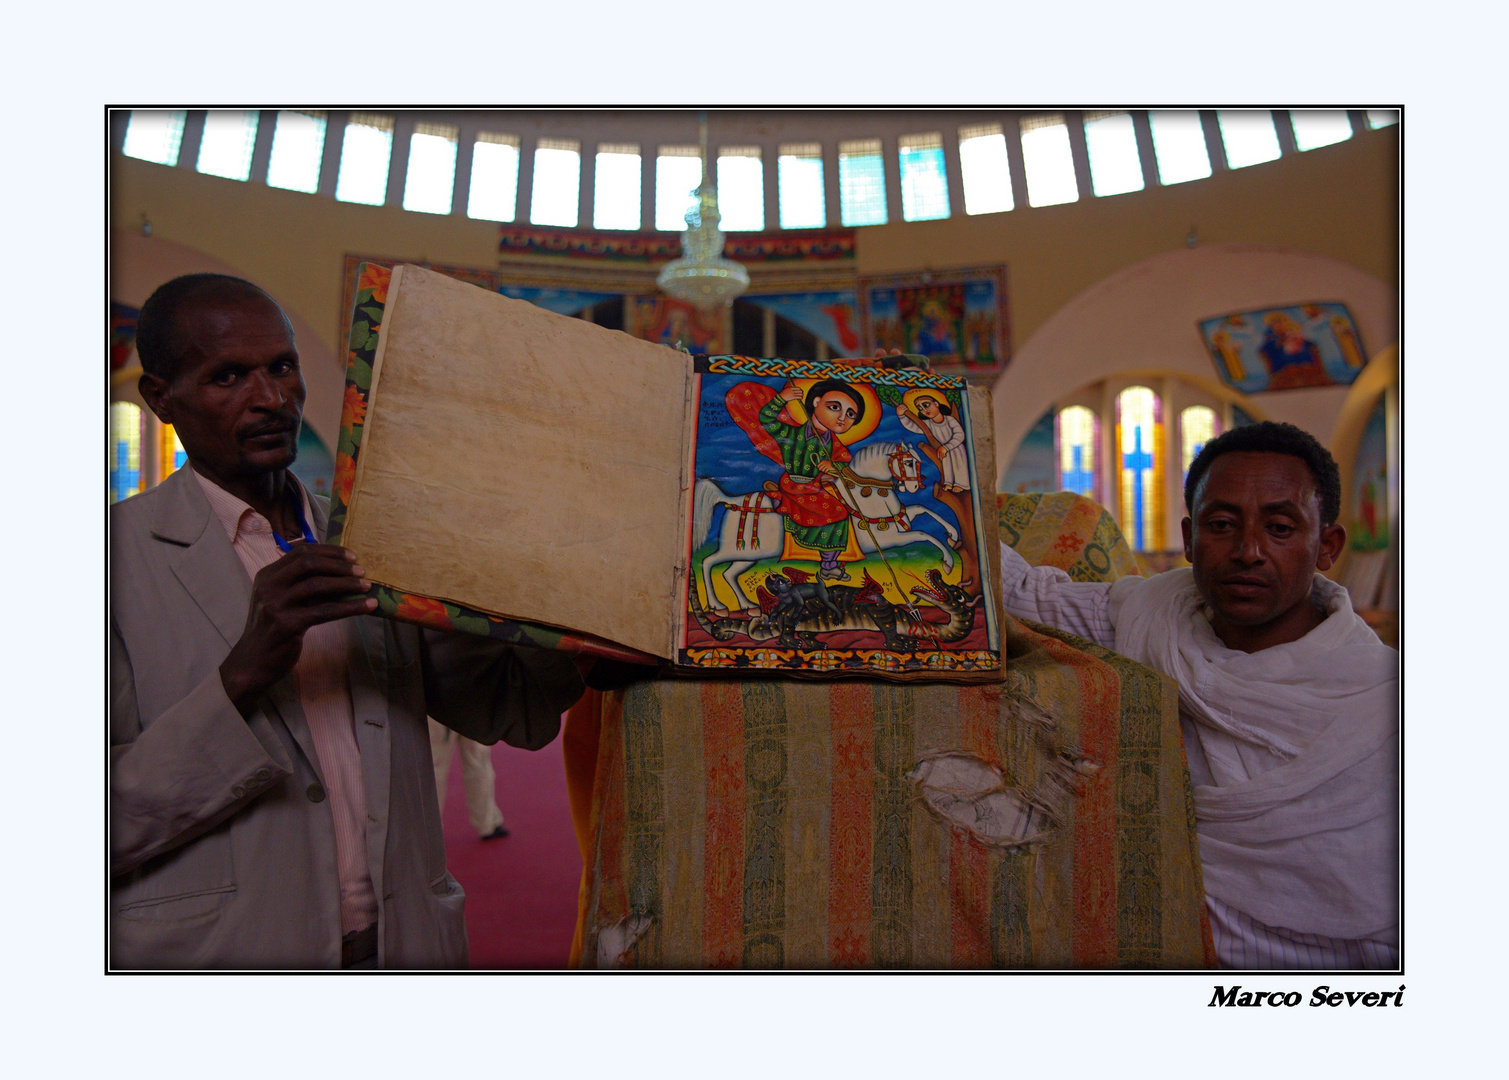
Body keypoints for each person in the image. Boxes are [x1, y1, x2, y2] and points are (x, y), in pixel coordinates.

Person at [111, 273, 587, 969]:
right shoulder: (111, 563)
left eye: (281, 366)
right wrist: (242, 675)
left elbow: (505, 707)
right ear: (160, 399)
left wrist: (561, 606)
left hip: (404, 949)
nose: (271, 398)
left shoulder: (374, 537)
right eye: (228, 377)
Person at [998, 421, 1397, 968]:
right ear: (1188, 539)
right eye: (1222, 525)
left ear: (1326, 545)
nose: (1248, 551)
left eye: (1280, 528)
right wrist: (921, 448)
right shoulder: (1153, 619)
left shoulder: (1383, 698)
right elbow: (1022, 594)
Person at [729, 378, 865, 582]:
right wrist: (781, 399)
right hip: (795, 485)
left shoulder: (834, 444)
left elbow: (844, 461)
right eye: (835, 407)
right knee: (838, 512)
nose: (841, 418)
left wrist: (834, 467)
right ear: (817, 402)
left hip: (815, 486)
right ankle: (828, 565)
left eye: (850, 414)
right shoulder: (791, 433)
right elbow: (767, 419)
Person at [428, 718, 509, 840]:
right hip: (473, 709)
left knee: (434, 769)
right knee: (478, 765)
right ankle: (488, 823)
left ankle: (429, 829)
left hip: (440, 709)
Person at [896, 392, 968, 492]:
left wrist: (947, 447)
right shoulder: (928, 424)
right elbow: (913, 426)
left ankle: (961, 484)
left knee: (959, 464)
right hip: (942, 449)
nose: (924, 410)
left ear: (936, 404)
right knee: (947, 465)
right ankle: (949, 483)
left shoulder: (949, 420)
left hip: (955, 448)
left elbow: (960, 434)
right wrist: (902, 416)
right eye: (920, 408)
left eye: (926, 405)